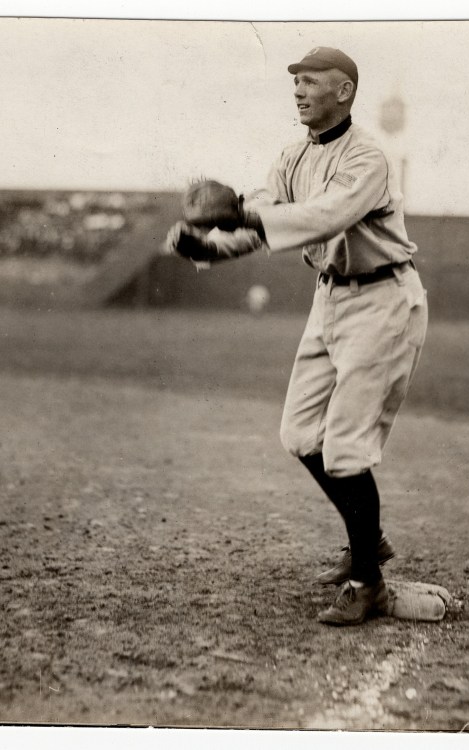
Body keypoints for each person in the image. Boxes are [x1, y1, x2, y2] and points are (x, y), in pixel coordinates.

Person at [166, 47, 428, 626]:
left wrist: (240, 212)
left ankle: (367, 584)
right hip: (331, 295)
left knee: (345, 448)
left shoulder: (367, 158)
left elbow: (325, 216)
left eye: (311, 82)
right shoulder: (292, 156)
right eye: (297, 83)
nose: (299, 91)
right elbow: (262, 220)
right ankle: (368, 542)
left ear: (345, 92)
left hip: (383, 299)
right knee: (300, 432)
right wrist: (206, 246)